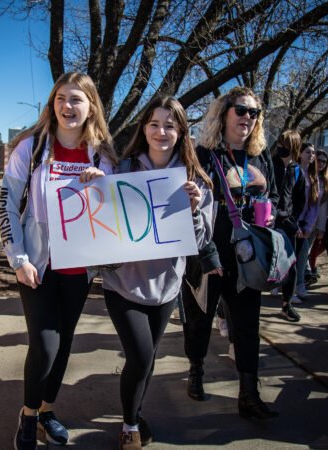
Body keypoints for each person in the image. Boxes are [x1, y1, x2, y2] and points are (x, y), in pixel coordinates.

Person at [0, 72, 118, 450]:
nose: (68, 106)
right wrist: (18, 258)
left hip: (78, 270)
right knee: (45, 344)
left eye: (77, 99)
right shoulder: (30, 149)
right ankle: (28, 416)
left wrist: (103, 186)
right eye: (61, 98)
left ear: (91, 106)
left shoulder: (103, 156)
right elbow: (6, 205)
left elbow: (113, 216)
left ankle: (48, 411)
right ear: (53, 104)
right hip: (36, 266)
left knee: (64, 344)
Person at [100, 96, 214, 450]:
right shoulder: (122, 170)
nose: (161, 131)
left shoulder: (195, 180)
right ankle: (130, 424)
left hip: (165, 289)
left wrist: (193, 210)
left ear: (181, 131)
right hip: (122, 285)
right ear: (143, 128)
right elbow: (102, 223)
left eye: (169, 124)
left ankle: (135, 410)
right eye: (154, 124)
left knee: (145, 360)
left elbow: (199, 241)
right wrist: (94, 187)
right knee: (140, 356)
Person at [187, 86, 280, 419]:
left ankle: (249, 393)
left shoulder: (260, 156)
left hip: (247, 256)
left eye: (254, 113)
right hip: (209, 253)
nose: (248, 118)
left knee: (247, 325)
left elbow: (278, 199)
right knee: (200, 318)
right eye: (241, 110)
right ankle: (196, 369)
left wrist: (268, 210)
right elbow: (191, 206)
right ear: (223, 113)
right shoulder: (203, 153)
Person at [272, 130, 306, 322]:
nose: (281, 148)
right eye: (280, 144)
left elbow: (299, 199)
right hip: (268, 221)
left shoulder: (296, 170)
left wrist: (294, 218)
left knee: (290, 266)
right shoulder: (270, 164)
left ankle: (287, 304)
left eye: (286, 145)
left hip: (287, 223)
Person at [293, 143, 320, 303]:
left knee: (303, 256)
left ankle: (299, 285)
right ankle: (281, 285)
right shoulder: (294, 171)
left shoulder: (313, 176)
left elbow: (314, 205)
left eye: (313, 152)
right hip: (292, 222)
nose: (311, 155)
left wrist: (308, 225)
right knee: (287, 257)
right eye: (308, 152)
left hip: (304, 224)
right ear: (300, 153)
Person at [307, 150, 328, 288]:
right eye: (319, 160)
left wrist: (322, 228)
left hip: (317, 225)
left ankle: (303, 280)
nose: (321, 164)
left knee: (309, 253)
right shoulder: (307, 176)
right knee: (300, 254)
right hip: (303, 223)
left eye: (324, 161)